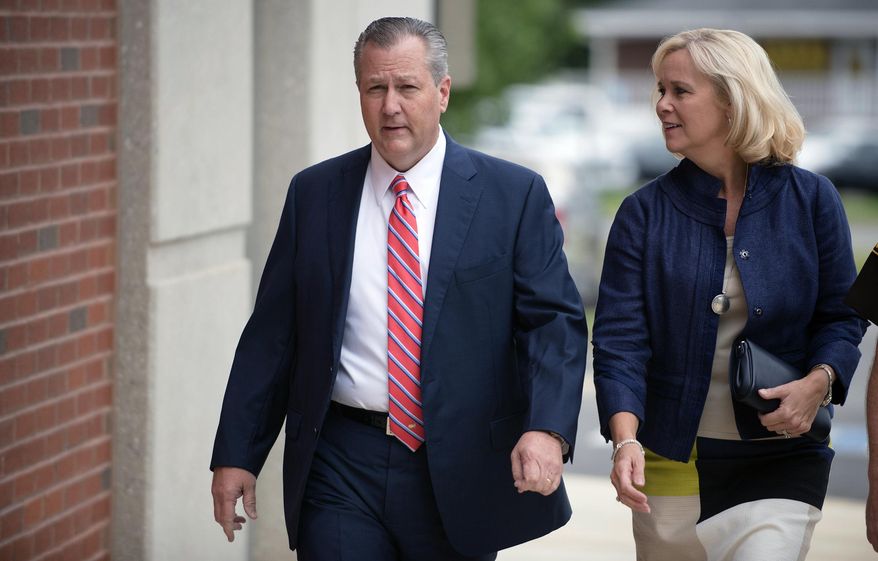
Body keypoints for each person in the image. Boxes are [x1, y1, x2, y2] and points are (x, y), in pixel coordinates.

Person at [209, 16, 588, 561]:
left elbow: (553, 325)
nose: (391, 105)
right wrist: (236, 453)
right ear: (360, 94)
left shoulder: (513, 195)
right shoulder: (315, 195)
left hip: (460, 464)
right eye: (375, 88)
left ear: (442, 92)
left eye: (407, 87)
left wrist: (547, 430)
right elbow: (273, 336)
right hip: (342, 461)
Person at [592, 28, 867, 560]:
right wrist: (625, 439)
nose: (661, 105)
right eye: (659, 90)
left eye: (679, 91)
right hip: (672, 460)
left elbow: (842, 317)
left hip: (781, 457)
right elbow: (620, 342)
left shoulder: (812, 200)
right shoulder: (642, 214)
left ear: (732, 99)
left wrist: (820, 382)